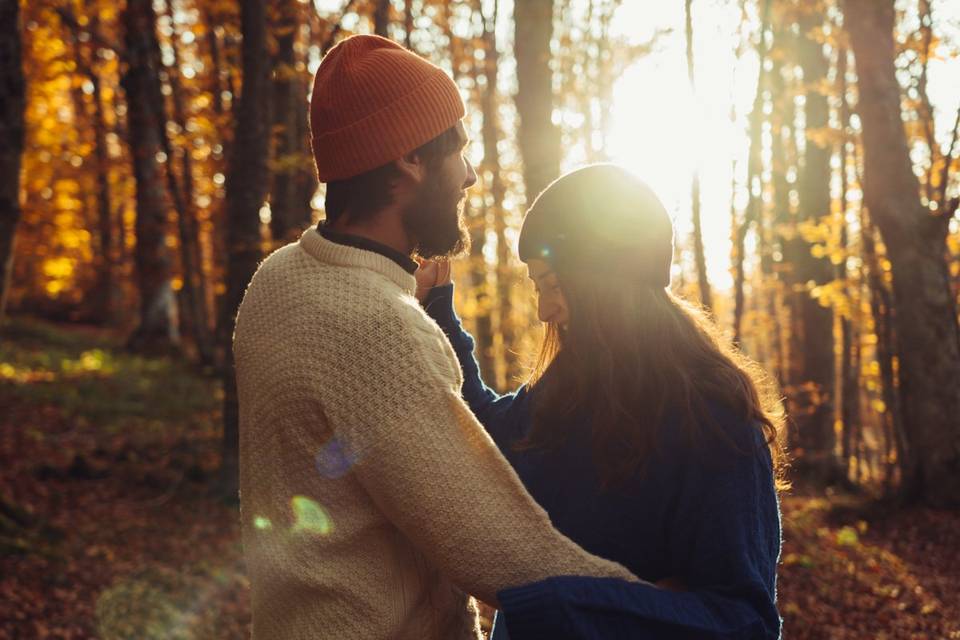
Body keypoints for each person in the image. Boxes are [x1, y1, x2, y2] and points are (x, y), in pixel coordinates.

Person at [232, 36, 636, 640]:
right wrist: (654, 603)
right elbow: (500, 551)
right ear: (410, 160)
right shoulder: (378, 328)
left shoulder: (276, 280)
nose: (470, 175)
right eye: (459, 149)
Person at [419, 163, 786, 639]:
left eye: (552, 285)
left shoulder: (714, 417)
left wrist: (567, 606)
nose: (543, 310)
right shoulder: (573, 386)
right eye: (537, 287)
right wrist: (438, 309)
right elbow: (493, 438)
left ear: (604, 281)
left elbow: (745, 621)